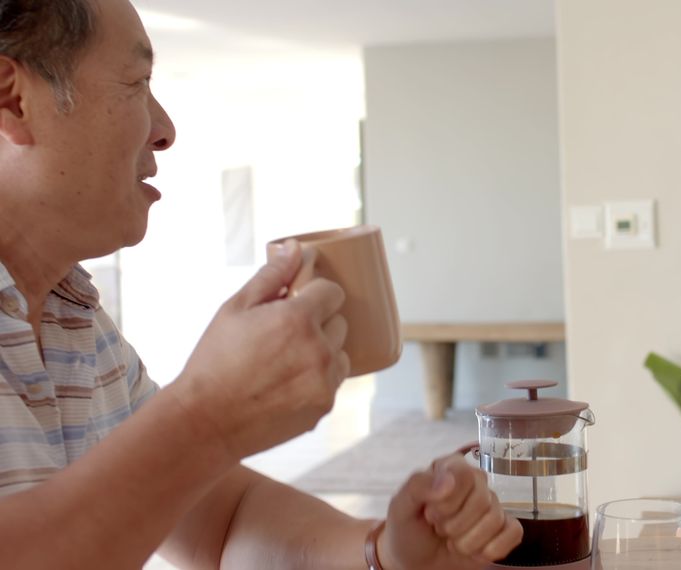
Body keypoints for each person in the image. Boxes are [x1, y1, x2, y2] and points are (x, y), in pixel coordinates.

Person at [0, 0, 521, 568]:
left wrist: (385, 551)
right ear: (12, 98)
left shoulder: (76, 323)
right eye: (136, 81)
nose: (165, 129)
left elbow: (223, 522)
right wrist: (204, 417)